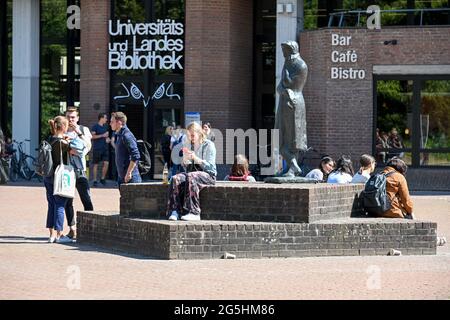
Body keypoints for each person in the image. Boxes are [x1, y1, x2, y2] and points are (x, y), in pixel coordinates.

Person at [167, 122, 216, 221]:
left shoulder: (208, 145)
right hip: (192, 175)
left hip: (209, 175)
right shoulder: (190, 145)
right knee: (176, 178)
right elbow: (188, 169)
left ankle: (194, 212)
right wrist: (185, 162)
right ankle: (175, 211)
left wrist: (197, 159)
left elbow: (211, 167)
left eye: (192, 135)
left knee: (192, 176)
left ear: (199, 133)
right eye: (189, 136)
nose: (191, 138)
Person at [274, 41, 308, 177]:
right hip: (284, 103)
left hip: (293, 105)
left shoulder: (300, 65)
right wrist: (283, 89)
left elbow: (292, 86)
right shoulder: (287, 63)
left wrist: (284, 89)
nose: (283, 53)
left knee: (293, 138)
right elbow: (280, 87)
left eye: (285, 50)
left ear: (291, 49)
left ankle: (292, 167)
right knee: (281, 137)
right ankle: (292, 166)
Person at [64, 107, 93, 240]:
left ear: (77, 118)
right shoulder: (62, 130)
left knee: (86, 198)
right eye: (68, 117)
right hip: (66, 171)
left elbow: (87, 147)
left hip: (80, 170)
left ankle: (91, 226)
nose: (70, 120)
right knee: (67, 201)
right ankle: (72, 229)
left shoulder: (83, 129)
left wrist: (76, 132)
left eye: (73, 117)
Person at [44, 116, 73, 243]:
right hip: (60, 177)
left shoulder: (49, 140)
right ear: (64, 127)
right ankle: (60, 235)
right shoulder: (64, 143)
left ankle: (51, 235)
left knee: (51, 205)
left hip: (48, 176)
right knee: (60, 205)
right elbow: (76, 152)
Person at [110, 111, 141, 185]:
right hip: (122, 176)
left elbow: (136, 155)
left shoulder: (126, 135)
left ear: (119, 122)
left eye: (112, 122)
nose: (110, 124)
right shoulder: (119, 134)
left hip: (130, 177)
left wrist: (129, 172)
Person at [91, 113, 111, 187]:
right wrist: (102, 135)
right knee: (96, 164)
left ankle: (102, 178)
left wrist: (108, 139)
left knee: (106, 163)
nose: (106, 119)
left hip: (105, 148)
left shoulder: (105, 127)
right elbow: (92, 136)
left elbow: (106, 138)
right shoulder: (95, 127)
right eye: (105, 118)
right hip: (97, 148)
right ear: (101, 118)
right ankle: (95, 180)